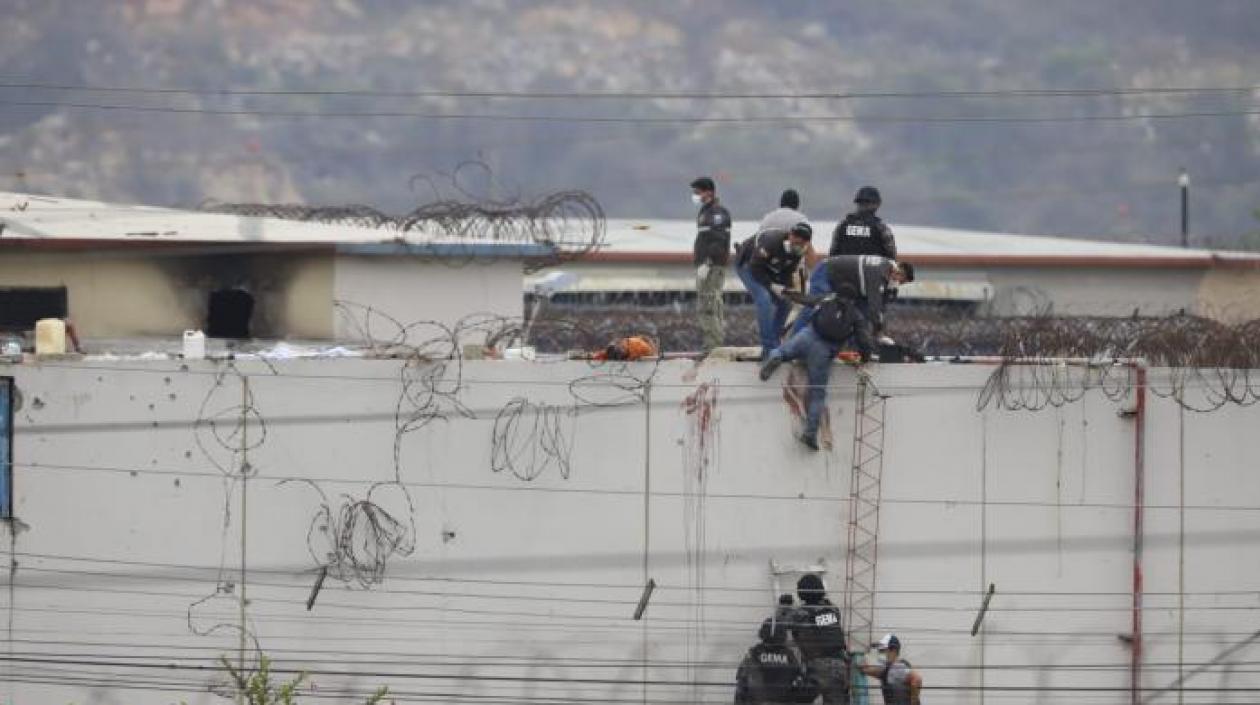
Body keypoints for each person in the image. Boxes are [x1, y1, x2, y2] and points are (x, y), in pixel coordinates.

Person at [759, 283, 874, 451]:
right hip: (823, 351)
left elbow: (806, 299)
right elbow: (864, 339)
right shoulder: (856, 315)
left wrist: (788, 294)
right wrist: (865, 357)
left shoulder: (828, 298)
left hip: (808, 335)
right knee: (817, 393)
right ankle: (810, 434)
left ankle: (775, 358)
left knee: (784, 351)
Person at [734, 221, 813, 360]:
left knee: (786, 303)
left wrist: (787, 290)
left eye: (802, 244)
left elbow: (787, 272)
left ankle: (775, 342)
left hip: (767, 270)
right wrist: (772, 285)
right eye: (796, 241)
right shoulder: (771, 242)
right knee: (764, 299)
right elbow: (755, 268)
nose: (798, 245)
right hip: (748, 265)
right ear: (790, 235)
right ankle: (768, 348)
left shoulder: (798, 252)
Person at [791, 255, 914, 339]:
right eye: (901, 281)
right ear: (899, 273)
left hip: (841, 278)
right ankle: (794, 340)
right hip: (826, 272)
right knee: (815, 307)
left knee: (858, 316)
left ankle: (856, 348)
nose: (898, 284)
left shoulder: (887, 269)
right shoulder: (878, 273)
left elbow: (874, 308)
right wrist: (879, 330)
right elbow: (874, 306)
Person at [787, 574, 849, 704]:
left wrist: (784, 606)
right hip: (840, 665)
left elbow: (782, 624)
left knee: (792, 697)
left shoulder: (801, 613)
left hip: (818, 667)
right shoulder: (833, 610)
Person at [691, 176, 732, 351]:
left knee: (708, 304)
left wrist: (707, 263)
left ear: (708, 192)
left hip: (712, 266)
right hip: (707, 265)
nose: (695, 196)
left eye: (697, 192)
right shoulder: (706, 212)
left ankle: (713, 346)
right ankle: (713, 343)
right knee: (709, 302)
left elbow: (719, 239)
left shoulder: (717, 213)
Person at [735, 618, 809, 705]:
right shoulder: (790, 655)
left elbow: (741, 680)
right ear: (783, 635)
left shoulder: (754, 652)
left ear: (762, 633)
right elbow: (800, 682)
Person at [829, 186, 896, 260]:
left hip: (845, 270)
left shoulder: (843, 225)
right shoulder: (880, 228)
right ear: (876, 204)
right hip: (872, 271)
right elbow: (891, 255)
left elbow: (832, 254)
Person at [860, 634, 922, 705]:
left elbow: (917, 679)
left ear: (894, 651)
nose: (880, 653)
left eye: (883, 650)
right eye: (879, 651)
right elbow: (875, 671)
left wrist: (913, 702)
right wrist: (864, 667)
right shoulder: (888, 669)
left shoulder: (897, 668)